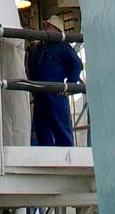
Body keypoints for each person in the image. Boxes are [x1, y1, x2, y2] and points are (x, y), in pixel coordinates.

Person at [27, 15, 83, 146]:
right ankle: (48, 157)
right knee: (42, 129)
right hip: (42, 93)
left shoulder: (62, 47)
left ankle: (67, 157)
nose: (44, 28)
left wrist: (69, 85)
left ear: (56, 30)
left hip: (55, 93)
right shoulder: (38, 48)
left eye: (48, 26)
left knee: (61, 127)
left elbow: (77, 64)